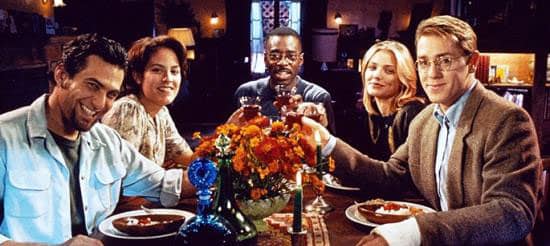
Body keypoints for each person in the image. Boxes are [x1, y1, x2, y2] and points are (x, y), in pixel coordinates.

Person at [301, 15, 541, 245]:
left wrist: (416, 231)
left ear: (472, 62)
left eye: (444, 61)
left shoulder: (507, 120)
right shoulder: (425, 120)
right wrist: (327, 143)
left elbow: (512, 213)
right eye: (424, 62)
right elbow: (388, 177)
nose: (432, 73)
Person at [0, 33, 194, 245]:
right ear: (62, 76)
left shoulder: (107, 141)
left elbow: (164, 183)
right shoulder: (5, 136)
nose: (99, 103)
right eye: (93, 85)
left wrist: (226, 163)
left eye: (111, 94)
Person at [102, 35, 193, 168]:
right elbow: (123, 174)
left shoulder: (161, 113)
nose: (168, 78)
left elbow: (190, 160)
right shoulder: (128, 109)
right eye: (157, 70)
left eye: (174, 71)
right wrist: (163, 174)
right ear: (138, 76)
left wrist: (225, 136)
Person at [234, 26, 336, 133]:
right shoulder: (246, 93)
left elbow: (330, 146)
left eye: (291, 57)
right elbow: (226, 141)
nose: (283, 63)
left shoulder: (318, 97)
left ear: (300, 60)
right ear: (265, 59)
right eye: (275, 56)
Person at [343, 40, 425, 162]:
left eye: (389, 71)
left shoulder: (411, 113)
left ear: (403, 78)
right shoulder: (371, 114)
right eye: (372, 67)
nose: (377, 75)